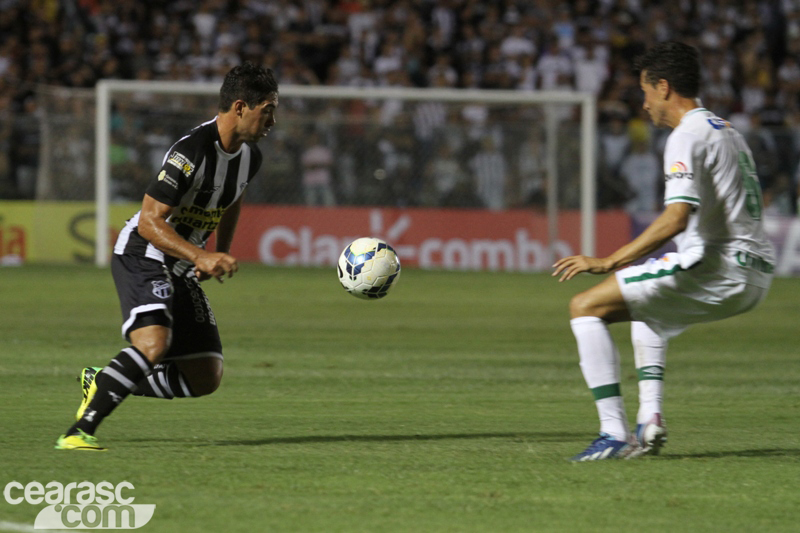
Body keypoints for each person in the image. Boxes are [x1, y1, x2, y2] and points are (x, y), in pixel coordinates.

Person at [552, 42, 775, 461]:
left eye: (646, 92)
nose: (644, 103)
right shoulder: (726, 129)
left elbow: (676, 217)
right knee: (647, 307)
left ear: (664, 87)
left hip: (716, 264)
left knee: (585, 306)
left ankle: (613, 433)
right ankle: (649, 418)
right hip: (756, 272)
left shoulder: (685, 136)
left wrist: (608, 260)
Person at [55, 63, 279, 451]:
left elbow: (232, 199)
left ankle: (105, 379)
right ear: (241, 107)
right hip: (145, 252)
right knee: (154, 343)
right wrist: (199, 255)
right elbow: (148, 222)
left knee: (205, 375)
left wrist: (219, 250)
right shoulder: (189, 152)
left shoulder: (249, 157)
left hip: (182, 262)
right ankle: (78, 432)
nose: (273, 121)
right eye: (268, 110)